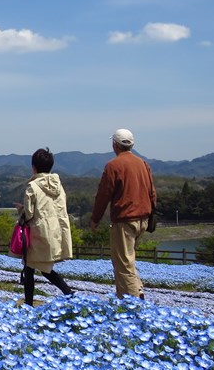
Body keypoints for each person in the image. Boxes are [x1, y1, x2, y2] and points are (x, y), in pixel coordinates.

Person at [90, 128, 157, 300]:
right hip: (143, 218)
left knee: (122, 264)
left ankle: (131, 301)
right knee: (129, 260)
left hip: (125, 220)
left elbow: (103, 195)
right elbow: (152, 192)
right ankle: (138, 289)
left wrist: (95, 219)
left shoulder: (113, 165)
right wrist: (152, 215)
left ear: (115, 144)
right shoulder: (143, 164)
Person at [14, 148, 75, 305]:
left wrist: (20, 210)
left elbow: (29, 214)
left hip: (38, 233)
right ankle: (67, 293)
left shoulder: (32, 187)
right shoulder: (58, 185)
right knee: (42, 266)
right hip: (56, 231)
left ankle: (30, 303)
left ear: (33, 166)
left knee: (32, 268)